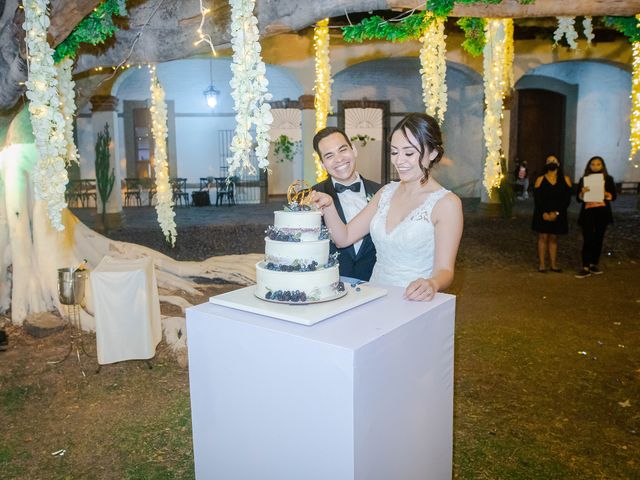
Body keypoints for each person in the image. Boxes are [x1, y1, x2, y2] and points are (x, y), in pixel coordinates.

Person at [311, 113, 463, 301]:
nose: (399, 161)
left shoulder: (447, 203)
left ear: (432, 153)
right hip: (375, 295)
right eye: (394, 152)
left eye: (409, 153)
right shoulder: (385, 193)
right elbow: (344, 238)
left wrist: (432, 283)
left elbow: (445, 270)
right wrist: (328, 206)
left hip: (414, 298)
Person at [312, 127, 382, 281]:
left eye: (342, 150)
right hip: (330, 285)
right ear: (322, 164)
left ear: (354, 150)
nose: (339, 159)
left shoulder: (381, 192)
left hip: (377, 284)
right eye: (329, 156)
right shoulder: (312, 197)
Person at [575, 156, 617, 278]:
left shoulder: (608, 179)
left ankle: (594, 264)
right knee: (588, 238)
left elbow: (613, 196)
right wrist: (582, 192)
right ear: (589, 166)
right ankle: (585, 266)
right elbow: (578, 199)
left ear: (602, 166)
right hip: (588, 213)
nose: (595, 166)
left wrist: (606, 193)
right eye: (592, 164)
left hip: (602, 212)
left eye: (598, 164)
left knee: (598, 238)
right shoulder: (584, 179)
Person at [531, 155, 572, 273]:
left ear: (558, 164)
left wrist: (557, 213)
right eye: (548, 161)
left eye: (553, 160)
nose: (551, 162)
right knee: (543, 237)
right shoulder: (540, 179)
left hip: (558, 213)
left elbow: (566, 200)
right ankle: (542, 264)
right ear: (545, 164)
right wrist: (544, 213)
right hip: (542, 213)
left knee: (554, 238)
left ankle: (554, 264)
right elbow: (537, 199)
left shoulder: (566, 179)